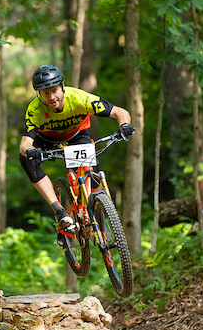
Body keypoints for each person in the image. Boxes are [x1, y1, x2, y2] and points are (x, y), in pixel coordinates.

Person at [19, 64, 134, 239]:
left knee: (93, 178)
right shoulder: (35, 109)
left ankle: (99, 219)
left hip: (76, 136)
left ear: (63, 87)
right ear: (39, 94)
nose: (52, 97)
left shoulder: (80, 98)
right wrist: (31, 151)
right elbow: (25, 143)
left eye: (55, 90)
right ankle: (59, 211)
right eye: (45, 93)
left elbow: (119, 112)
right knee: (26, 159)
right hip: (47, 141)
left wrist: (124, 125)